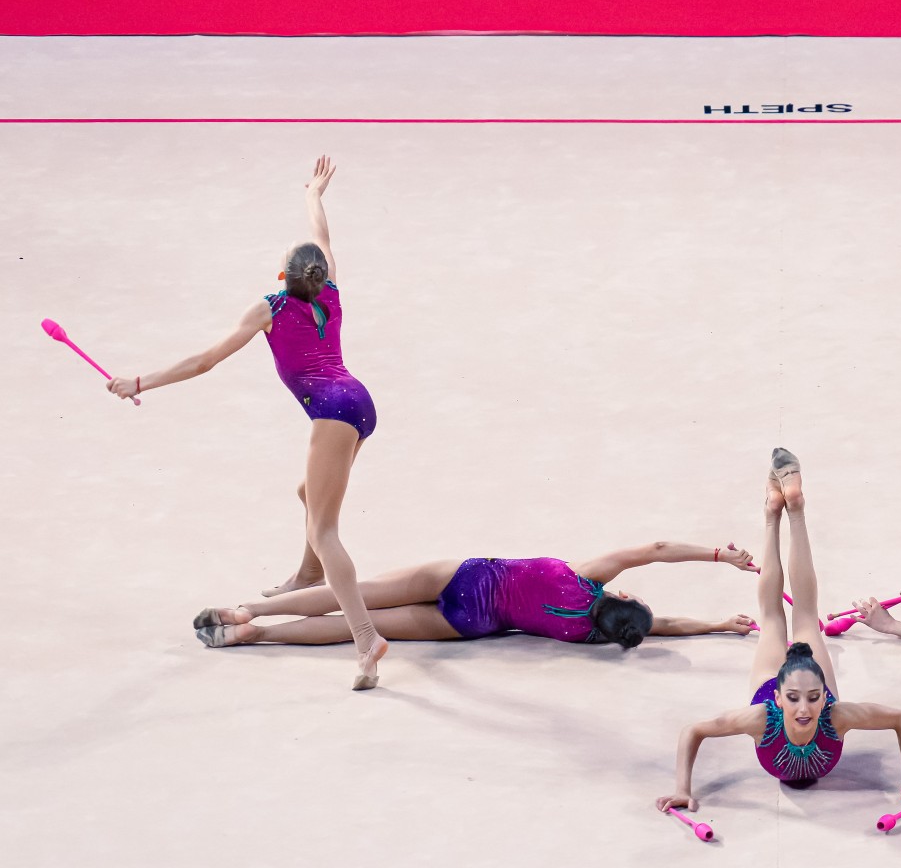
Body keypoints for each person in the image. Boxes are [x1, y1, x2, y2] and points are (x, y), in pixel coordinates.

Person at [107, 156, 388, 690]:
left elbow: (204, 362)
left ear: (284, 276)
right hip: (359, 401)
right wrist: (313, 195)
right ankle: (307, 575)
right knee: (309, 493)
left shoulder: (271, 308)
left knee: (325, 529)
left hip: (333, 410)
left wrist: (140, 382)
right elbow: (322, 237)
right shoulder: (330, 288)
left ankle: (366, 638)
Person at [655, 450, 901, 815]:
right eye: (793, 698)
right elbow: (692, 731)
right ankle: (791, 509)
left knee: (776, 617)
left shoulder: (819, 716)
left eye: (812, 698)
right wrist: (681, 789)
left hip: (777, 683)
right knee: (800, 615)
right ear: (778, 698)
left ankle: (775, 513)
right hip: (776, 687)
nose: (804, 708)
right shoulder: (798, 717)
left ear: (823, 698)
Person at [192, 539, 761, 647]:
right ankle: (253, 636)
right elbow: (664, 626)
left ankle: (250, 609)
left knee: (356, 595)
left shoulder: (585, 576)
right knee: (355, 627)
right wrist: (717, 624)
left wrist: (719, 554)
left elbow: (654, 548)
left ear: (623, 596)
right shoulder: (586, 634)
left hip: (465, 578)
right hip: (472, 622)